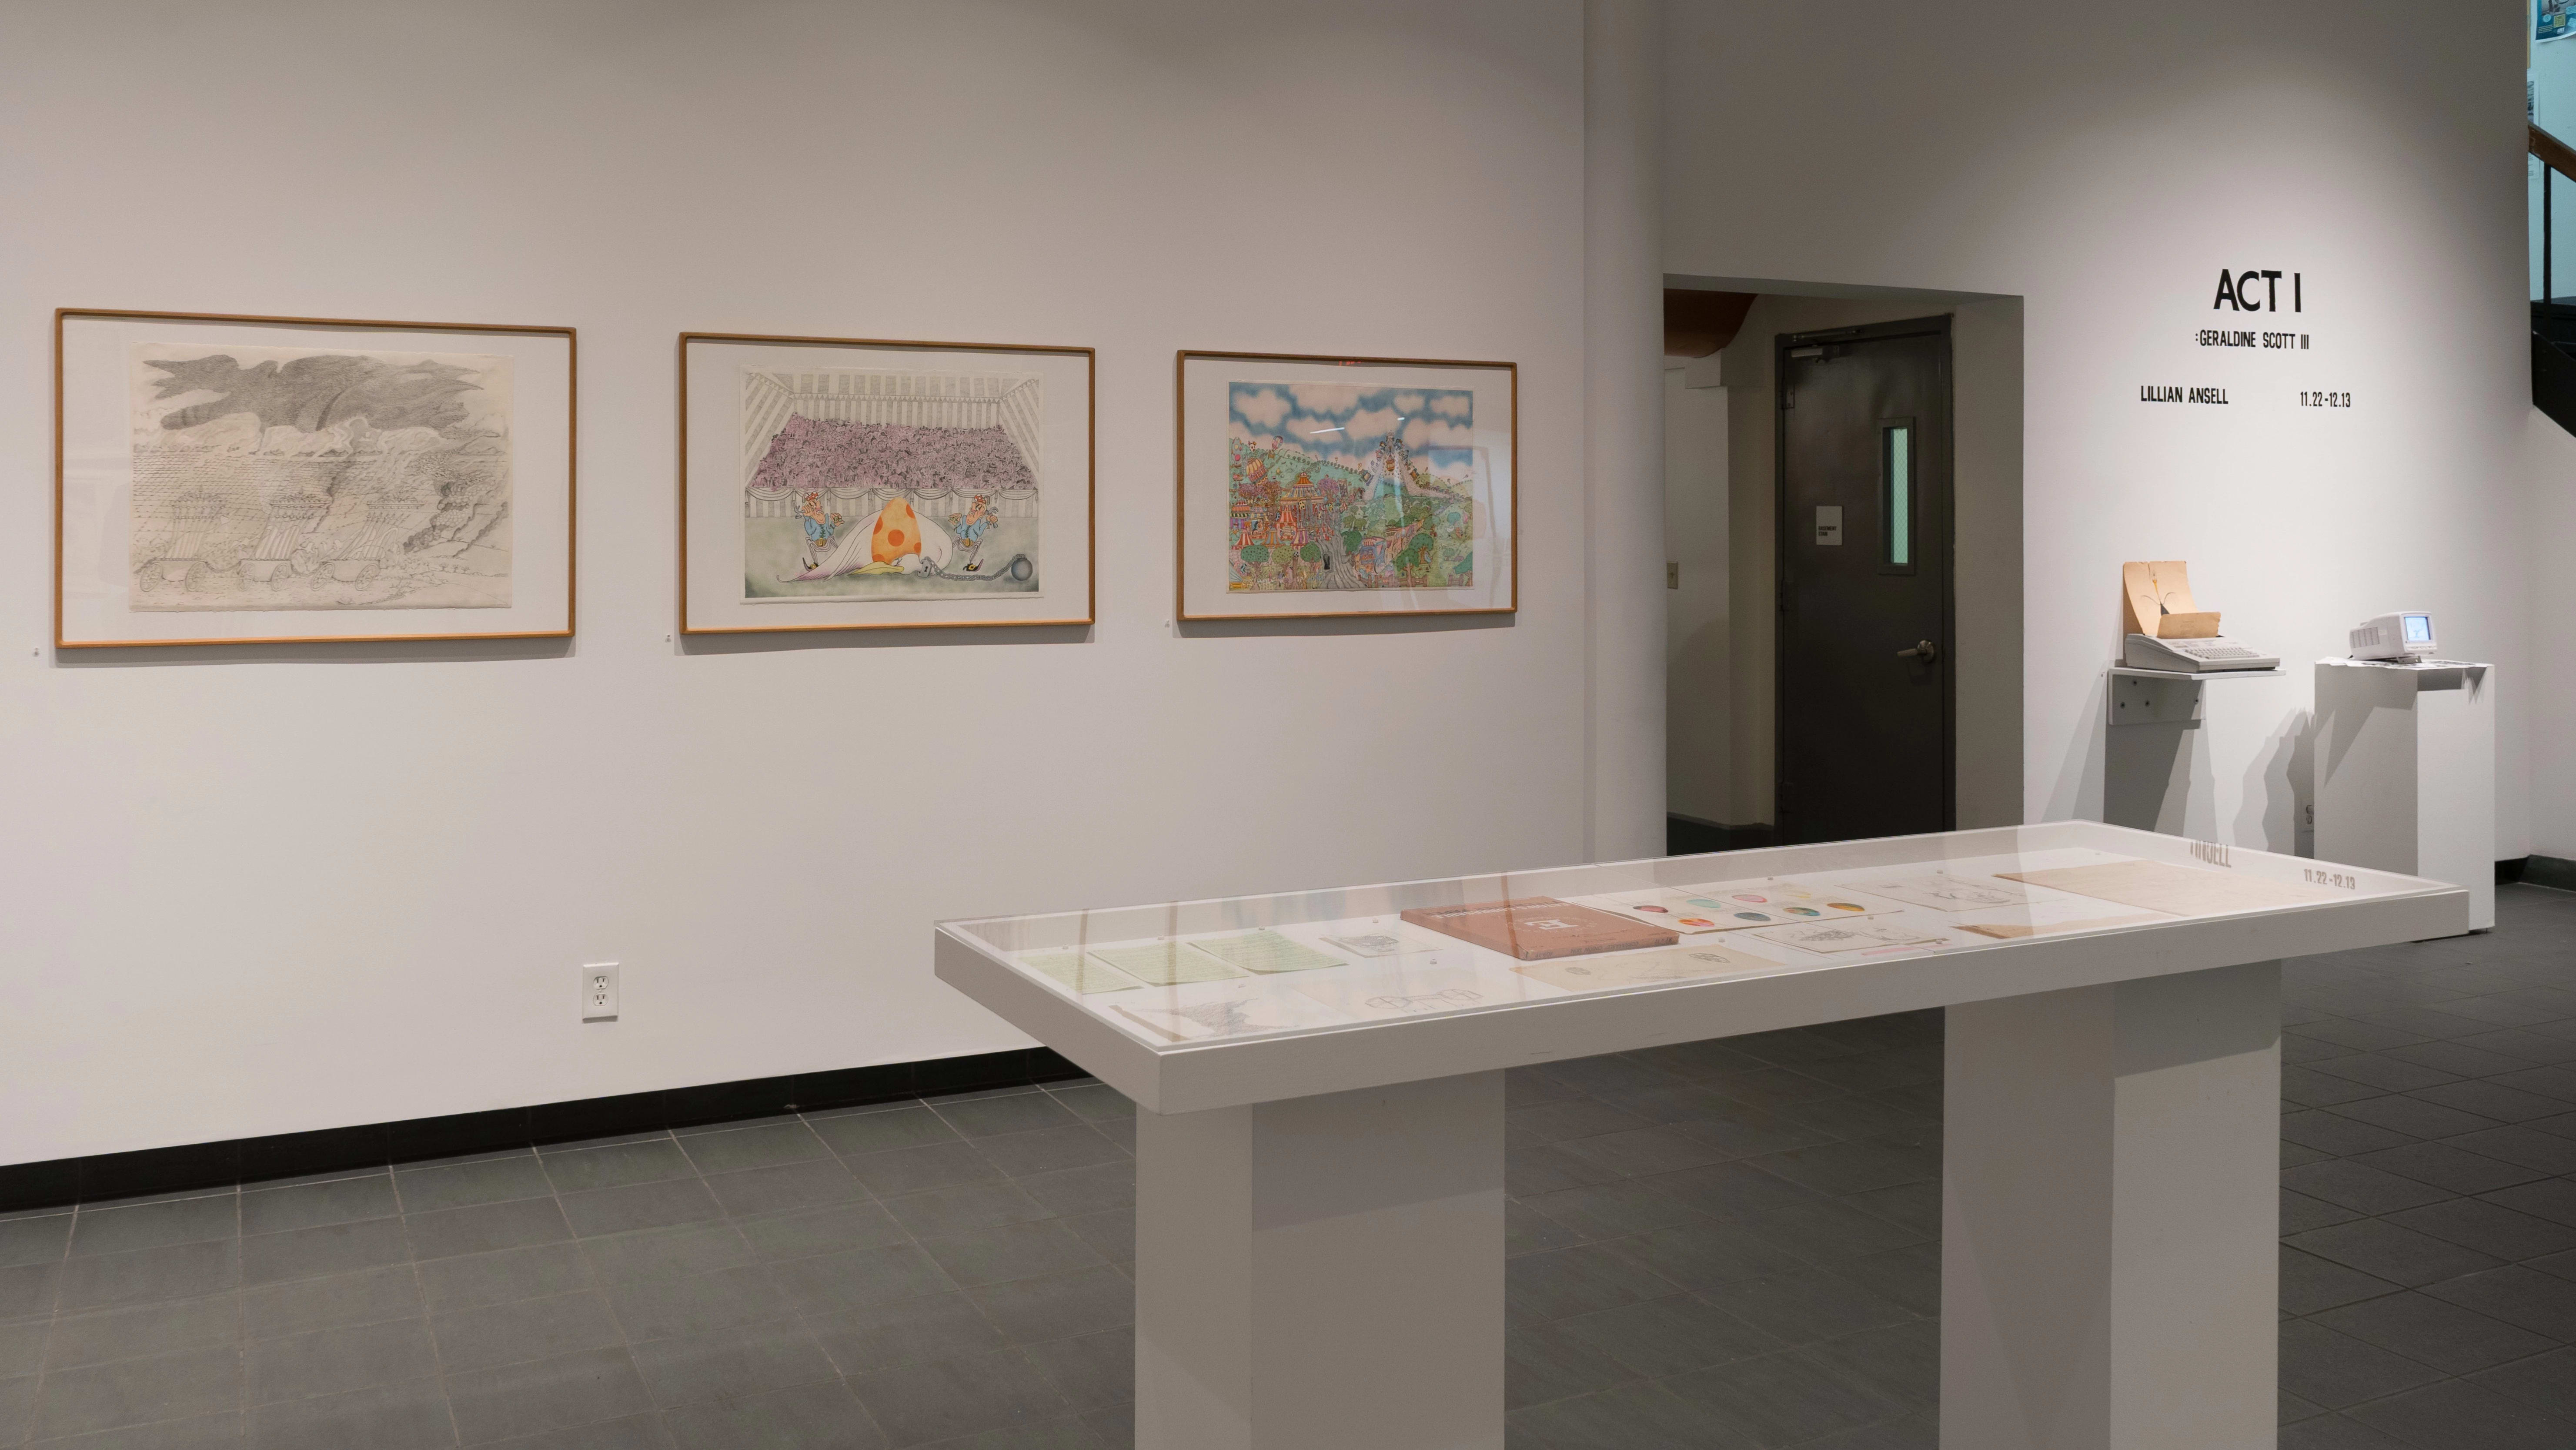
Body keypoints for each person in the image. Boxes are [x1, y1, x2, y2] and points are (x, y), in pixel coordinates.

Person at [948, 495, 996, 573]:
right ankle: (947, 551)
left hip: (972, 546)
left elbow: (980, 533)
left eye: (976, 510)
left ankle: (971, 563)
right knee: (957, 538)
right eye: (971, 509)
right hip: (961, 543)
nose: (972, 512)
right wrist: (956, 523)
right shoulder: (964, 519)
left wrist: (987, 523)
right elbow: (959, 531)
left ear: (980, 515)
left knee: (979, 542)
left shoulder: (977, 522)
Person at [796, 491, 841, 571]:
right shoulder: (811, 520)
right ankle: (816, 564)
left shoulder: (826, 517)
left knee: (831, 538)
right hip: (816, 544)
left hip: (827, 543)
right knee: (809, 542)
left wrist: (834, 525)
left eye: (818, 506)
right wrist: (807, 519)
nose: (818, 510)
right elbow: (810, 532)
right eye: (813, 506)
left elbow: (830, 532)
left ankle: (841, 554)